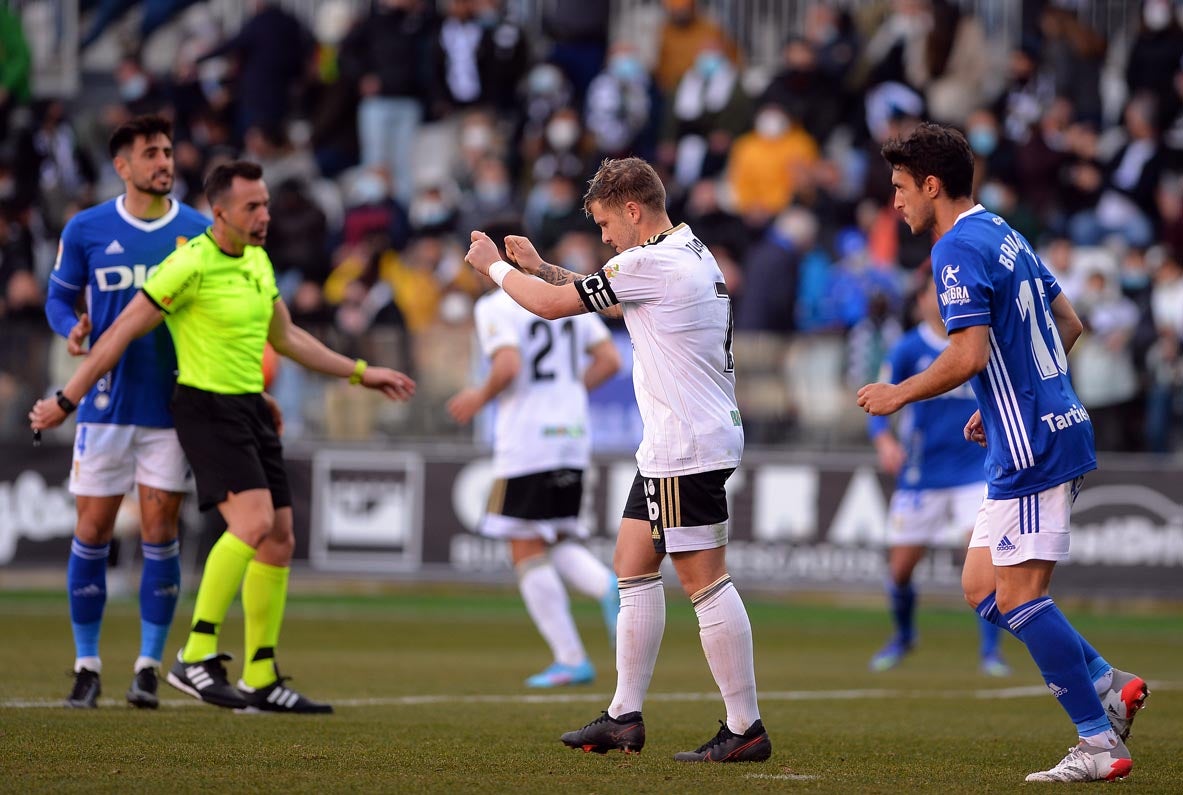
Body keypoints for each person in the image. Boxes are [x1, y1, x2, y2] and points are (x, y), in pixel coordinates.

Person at [31, 161, 416, 714]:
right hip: (205, 409)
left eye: (265, 204)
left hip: (252, 408)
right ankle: (195, 654)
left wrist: (361, 372)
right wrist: (66, 400)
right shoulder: (187, 264)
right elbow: (117, 333)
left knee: (279, 538)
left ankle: (262, 676)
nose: (263, 216)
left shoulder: (258, 261)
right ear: (220, 213)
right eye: (251, 207)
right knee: (254, 525)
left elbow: (286, 338)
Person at [857, 123, 1149, 783]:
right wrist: (1012, 400)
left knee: (1018, 596)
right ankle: (1107, 680)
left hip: (1035, 444)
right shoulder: (1005, 232)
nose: (895, 201)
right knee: (981, 587)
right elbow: (1067, 321)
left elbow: (967, 353)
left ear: (931, 185)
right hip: (1039, 426)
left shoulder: (954, 248)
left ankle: (1098, 740)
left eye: (901, 188)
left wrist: (897, 393)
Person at [462, 157, 770, 763]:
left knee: (703, 580)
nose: (604, 237)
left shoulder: (649, 262)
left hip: (685, 443)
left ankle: (745, 726)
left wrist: (493, 267)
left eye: (606, 223)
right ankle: (624, 715)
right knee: (631, 563)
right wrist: (540, 267)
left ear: (633, 210)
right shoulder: (685, 252)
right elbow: (608, 294)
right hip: (674, 440)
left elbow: (555, 308)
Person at [45, 115, 209, 709]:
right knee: (92, 530)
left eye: (168, 151)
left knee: (160, 531)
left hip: (171, 405)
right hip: (104, 405)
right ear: (123, 166)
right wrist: (71, 329)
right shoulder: (86, 228)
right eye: (152, 154)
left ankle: (147, 665)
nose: (165, 162)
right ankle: (87, 664)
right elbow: (59, 296)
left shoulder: (198, 229)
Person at [446, 236, 622, 688]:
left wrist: (478, 396)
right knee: (558, 535)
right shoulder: (562, 298)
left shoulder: (495, 305)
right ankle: (607, 587)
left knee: (524, 545)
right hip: (571, 438)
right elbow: (609, 359)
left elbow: (507, 366)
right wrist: (566, 396)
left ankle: (570, 658)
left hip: (527, 441)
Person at [865, 273, 1009, 677]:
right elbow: (879, 396)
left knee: (984, 563)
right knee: (900, 571)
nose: (942, 297)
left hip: (974, 471)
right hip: (921, 474)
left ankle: (990, 652)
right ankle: (905, 635)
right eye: (934, 292)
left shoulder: (976, 341)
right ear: (923, 299)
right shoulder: (909, 347)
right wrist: (885, 442)